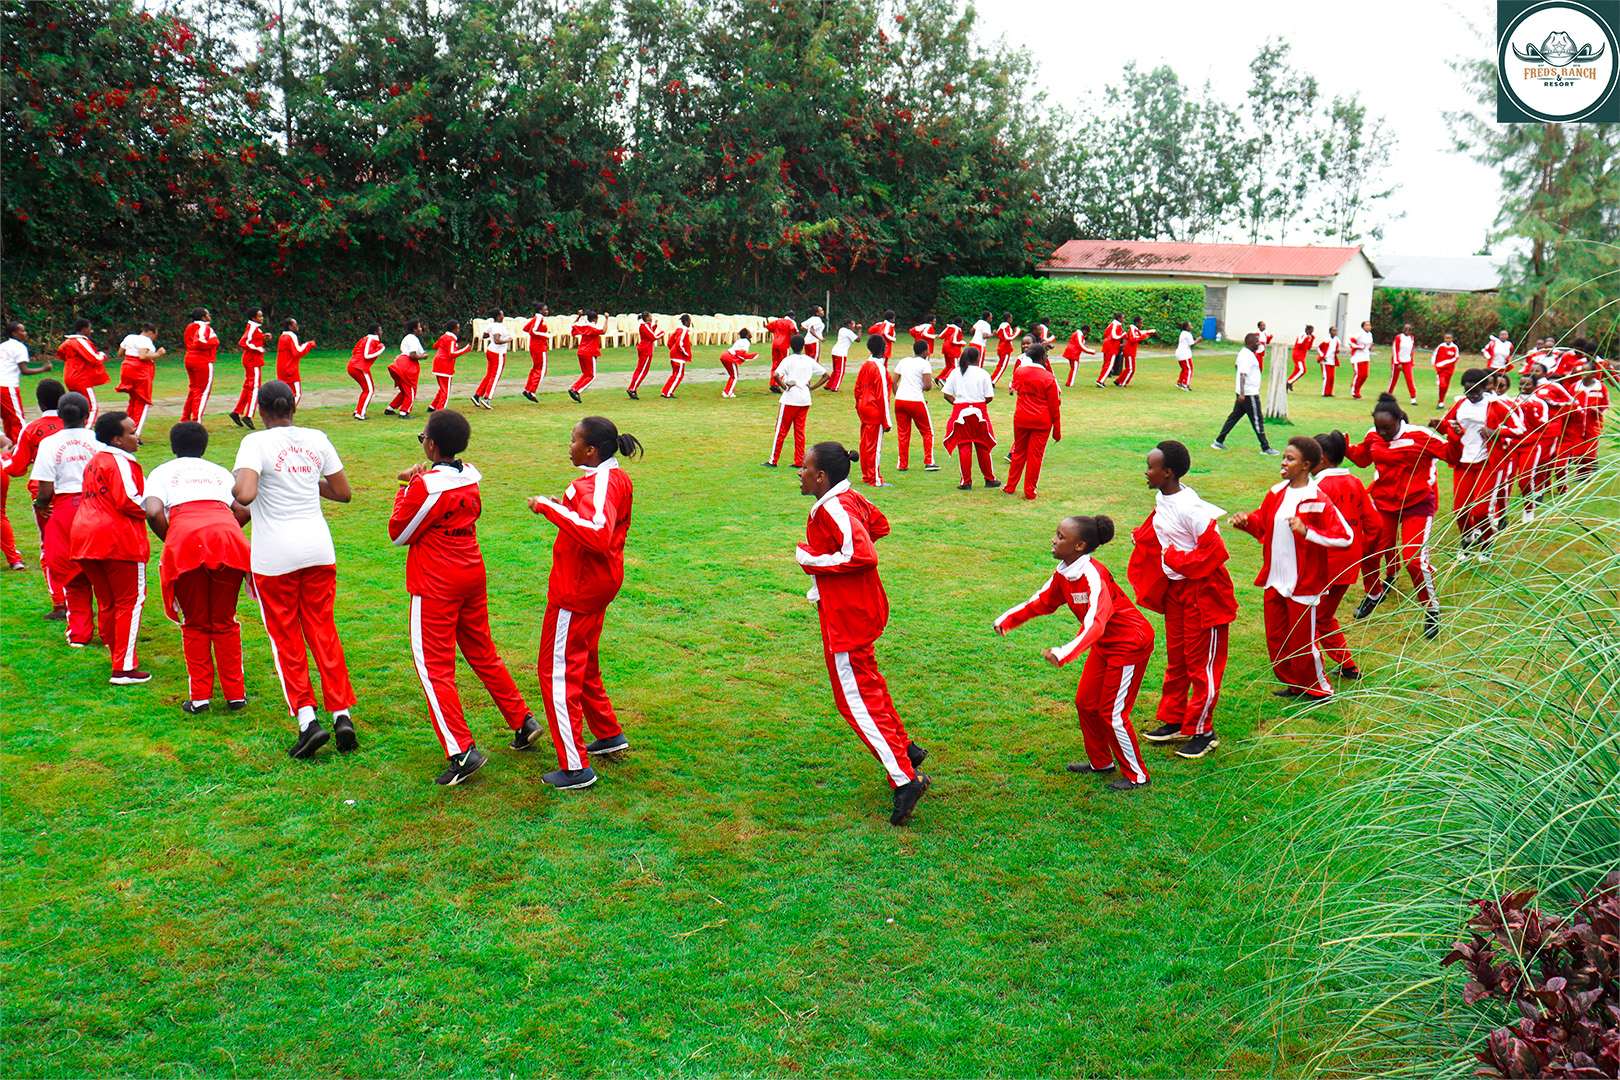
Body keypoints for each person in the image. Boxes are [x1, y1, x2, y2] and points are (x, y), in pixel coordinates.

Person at [390, 409, 539, 786]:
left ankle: (461, 750)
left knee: (434, 667)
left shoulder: (427, 486)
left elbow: (400, 532)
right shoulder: (469, 475)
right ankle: (522, 720)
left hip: (437, 580)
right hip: (470, 569)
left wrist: (405, 487)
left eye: (422, 436)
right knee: (482, 652)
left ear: (432, 445)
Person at [794, 440, 931, 822]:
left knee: (853, 699)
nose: (799, 472)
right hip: (860, 607)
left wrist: (812, 560)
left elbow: (862, 554)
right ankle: (906, 749)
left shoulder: (834, 507)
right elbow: (879, 525)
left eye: (804, 467)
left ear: (821, 476)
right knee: (867, 682)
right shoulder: (847, 498)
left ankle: (905, 778)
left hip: (847, 616)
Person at [232, 380, 357, 759]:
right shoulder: (316, 437)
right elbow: (342, 491)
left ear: (259, 409)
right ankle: (341, 714)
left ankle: (307, 720)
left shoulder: (255, 443)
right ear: (293, 407)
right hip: (318, 549)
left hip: (275, 557)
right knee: (323, 629)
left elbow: (245, 495)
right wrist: (303, 481)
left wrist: (243, 481)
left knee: (285, 636)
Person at [526, 415, 643, 790]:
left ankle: (575, 767)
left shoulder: (596, 483)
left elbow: (596, 534)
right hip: (598, 582)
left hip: (577, 588)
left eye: (574, 440)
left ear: (591, 451)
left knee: (556, 671)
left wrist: (548, 505)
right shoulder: (615, 477)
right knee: (585, 658)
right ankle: (608, 733)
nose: (569, 444)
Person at [995, 514, 1153, 789]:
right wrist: (1008, 619)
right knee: (1086, 703)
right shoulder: (1064, 572)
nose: (1053, 540)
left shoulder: (1093, 576)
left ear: (1079, 546)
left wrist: (1064, 652)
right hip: (1105, 644)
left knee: (1112, 714)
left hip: (1130, 643)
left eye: (1060, 536)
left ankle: (1137, 775)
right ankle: (1102, 762)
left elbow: (1096, 622)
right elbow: (1042, 601)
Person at [1128, 441, 1238, 759]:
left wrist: (1176, 559)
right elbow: (1162, 525)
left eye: (1150, 467)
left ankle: (1203, 731)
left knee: (1201, 665)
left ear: (1167, 472)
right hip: (1178, 593)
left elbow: (1216, 552)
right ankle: (1176, 719)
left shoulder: (1191, 509)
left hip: (1205, 594)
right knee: (1178, 660)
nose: (1145, 472)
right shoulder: (1164, 496)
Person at [1228, 436, 1353, 699]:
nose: (1283, 463)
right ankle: (1294, 683)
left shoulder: (1316, 497)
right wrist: (1245, 520)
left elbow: (1345, 537)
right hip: (1275, 578)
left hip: (1303, 582)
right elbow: (1262, 523)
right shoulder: (1276, 492)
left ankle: (1319, 689)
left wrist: (1308, 531)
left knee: (1303, 641)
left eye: (1290, 459)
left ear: (1306, 465)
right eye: (1284, 457)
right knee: (1277, 638)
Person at [143, 421, 252, 714]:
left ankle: (201, 697)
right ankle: (235, 695)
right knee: (225, 619)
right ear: (204, 447)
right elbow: (243, 509)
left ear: (173, 446)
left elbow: (153, 511)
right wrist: (222, 531)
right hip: (228, 541)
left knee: (195, 622)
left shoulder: (161, 472)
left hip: (185, 540)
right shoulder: (218, 470)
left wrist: (174, 540)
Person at [1346, 395, 1447, 638]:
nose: (1382, 433)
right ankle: (1374, 593)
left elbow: (1452, 454)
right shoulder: (1374, 435)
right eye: (1379, 427)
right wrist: (1345, 446)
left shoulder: (1422, 435)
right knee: (1368, 549)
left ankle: (1431, 609)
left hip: (1417, 504)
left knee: (1414, 560)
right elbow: (1362, 458)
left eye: (1387, 427)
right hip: (1383, 503)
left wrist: (1448, 430)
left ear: (1400, 419)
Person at [68, 410, 151, 684]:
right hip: (115, 538)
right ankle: (124, 668)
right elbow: (129, 499)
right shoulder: (120, 460)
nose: (136, 437)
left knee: (108, 600)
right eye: (130, 432)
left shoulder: (96, 460)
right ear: (117, 439)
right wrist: (162, 510)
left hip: (84, 535)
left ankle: (117, 651)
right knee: (130, 601)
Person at [1308, 431, 1381, 680]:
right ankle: (1348, 667)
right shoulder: (1356, 483)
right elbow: (1375, 524)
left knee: (1309, 620)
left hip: (1322, 565)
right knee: (1323, 617)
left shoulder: (1317, 488)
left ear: (1324, 459)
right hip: (1349, 563)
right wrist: (1363, 552)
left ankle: (1311, 675)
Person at [31, 393, 99, 640]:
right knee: (102, 573)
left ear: (59, 416)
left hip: (64, 510)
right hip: (96, 506)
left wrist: (41, 506)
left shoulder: (49, 443)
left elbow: (45, 490)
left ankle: (79, 633)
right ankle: (110, 631)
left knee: (72, 576)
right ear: (88, 414)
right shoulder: (98, 439)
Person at [4, 380, 65, 603]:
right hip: (76, 496)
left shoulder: (32, 429)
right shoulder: (78, 426)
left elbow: (16, 468)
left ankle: (59, 601)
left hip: (44, 498)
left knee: (49, 547)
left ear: (39, 403)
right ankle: (80, 602)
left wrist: (6, 456)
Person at [1432, 369, 1501, 558]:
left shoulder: (1495, 405)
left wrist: (1494, 432)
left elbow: (1519, 429)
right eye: (1467, 392)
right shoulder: (1460, 404)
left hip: (1487, 462)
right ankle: (1468, 539)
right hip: (1463, 461)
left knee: (1480, 511)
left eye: (1475, 392)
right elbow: (1446, 426)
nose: (1471, 396)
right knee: (1460, 510)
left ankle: (1487, 541)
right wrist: (1439, 424)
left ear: (1485, 387)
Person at [1002, 342, 1061, 499]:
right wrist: (1057, 429)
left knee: (1018, 452)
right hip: (1042, 421)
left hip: (1021, 418)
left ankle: (1010, 486)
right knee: (1035, 456)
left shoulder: (1020, 372)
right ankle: (1030, 490)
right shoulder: (1049, 378)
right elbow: (1055, 406)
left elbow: (1015, 388)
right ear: (1043, 357)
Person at [764, 334, 829, 469]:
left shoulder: (788, 360)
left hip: (790, 398)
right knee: (799, 431)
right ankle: (799, 461)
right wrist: (811, 387)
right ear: (803, 345)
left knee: (781, 431)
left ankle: (773, 460)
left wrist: (784, 386)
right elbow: (826, 375)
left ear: (790, 346)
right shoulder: (809, 360)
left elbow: (776, 374)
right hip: (804, 398)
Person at [941, 345, 999, 491]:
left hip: (961, 412)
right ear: (978, 358)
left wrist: (958, 403)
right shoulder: (983, 373)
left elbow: (946, 393)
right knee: (983, 445)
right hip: (979, 411)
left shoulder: (956, 372)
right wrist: (978, 404)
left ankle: (966, 482)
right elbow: (989, 396)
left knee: (964, 445)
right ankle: (990, 478)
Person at [1211, 333, 1277, 455]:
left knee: (1234, 417)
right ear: (1251, 343)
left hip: (1244, 393)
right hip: (1249, 394)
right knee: (1257, 419)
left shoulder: (1244, 353)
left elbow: (1237, 366)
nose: (1259, 344)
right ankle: (1266, 447)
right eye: (1257, 342)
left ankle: (1219, 441)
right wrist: (1242, 393)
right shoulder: (1247, 356)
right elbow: (1242, 374)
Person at [853, 334, 894, 487]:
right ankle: (875, 479)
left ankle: (867, 475)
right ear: (883, 348)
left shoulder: (866, 364)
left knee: (865, 444)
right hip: (874, 410)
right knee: (874, 446)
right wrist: (887, 420)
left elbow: (857, 388)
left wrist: (859, 406)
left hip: (864, 408)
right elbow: (882, 395)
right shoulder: (879, 368)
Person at [892, 337, 939, 473]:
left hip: (900, 400)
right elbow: (928, 385)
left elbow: (894, 382)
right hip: (916, 400)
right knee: (927, 431)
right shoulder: (925, 364)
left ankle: (902, 464)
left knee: (903, 433)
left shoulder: (903, 361)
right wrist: (921, 388)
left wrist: (899, 394)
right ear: (925, 352)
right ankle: (929, 462)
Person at [1, 321, 53, 441]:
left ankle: (10, 447)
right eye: (22, 331)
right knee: (18, 420)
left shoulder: (2, 346)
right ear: (14, 333)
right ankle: (23, 447)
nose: (25, 333)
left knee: (8, 419)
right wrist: (44, 369)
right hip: (8, 387)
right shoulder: (19, 347)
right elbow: (24, 370)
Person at [116, 321, 167, 436]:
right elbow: (142, 356)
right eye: (155, 335)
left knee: (133, 401)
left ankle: (124, 430)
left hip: (127, 368)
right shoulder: (145, 340)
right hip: (140, 370)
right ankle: (136, 434)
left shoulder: (129, 337)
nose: (155, 338)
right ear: (150, 332)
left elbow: (120, 353)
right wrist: (158, 353)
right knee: (142, 402)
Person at [59, 319, 110, 423]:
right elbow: (95, 358)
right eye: (89, 329)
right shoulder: (80, 341)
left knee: (75, 405)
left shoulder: (68, 341)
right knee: (91, 407)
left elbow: (60, 353)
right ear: (84, 329)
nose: (90, 332)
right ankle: (85, 430)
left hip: (69, 376)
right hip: (81, 378)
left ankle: (73, 427)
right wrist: (103, 355)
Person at [1567, 361, 1610, 480]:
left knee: (1590, 453)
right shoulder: (1575, 386)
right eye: (1583, 370)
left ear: (1593, 373)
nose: (1584, 373)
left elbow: (1606, 405)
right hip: (1577, 425)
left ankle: (1587, 473)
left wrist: (1598, 410)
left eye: (1588, 371)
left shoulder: (1601, 387)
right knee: (1577, 453)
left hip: (1594, 424)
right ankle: (1580, 473)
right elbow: (1569, 403)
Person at [179, 307, 220, 422]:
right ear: (203, 317)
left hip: (189, 358)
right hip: (202, 360)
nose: (209, 316)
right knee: (202, 391)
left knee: (193, 389)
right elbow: (201, 341)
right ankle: (197, 420)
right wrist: (213, 341)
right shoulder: (204, 328)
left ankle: (185, 418)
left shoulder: (190, 327)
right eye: (208, 314)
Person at [229, 306, 266, 429]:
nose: (262, 318)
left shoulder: (254, 328)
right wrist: (258, 349)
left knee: (247, 387)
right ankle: (248, 415)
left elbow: (252, 340)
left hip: (250, 360)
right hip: (253, 361)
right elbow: (243, 342)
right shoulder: (252, 328)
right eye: (259, 316)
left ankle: (236, 411)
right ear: (253, 318)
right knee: (255, 388)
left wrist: (263, 337)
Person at [385, 321, 428, 419]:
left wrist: (422, 354)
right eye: (419, 327)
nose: (421, 329)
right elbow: (413, 355)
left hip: (398, 363)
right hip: (407, 364)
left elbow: (410, 351)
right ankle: (404, 411)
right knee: (411, 389)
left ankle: (390, 408)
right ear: (415, 329)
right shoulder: (414, 339)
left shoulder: (406, 338)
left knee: (404, 390)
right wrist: (423, 357)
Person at [471, 308, 512, 409]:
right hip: (498, 353)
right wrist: (507, 340)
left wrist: (491, 334)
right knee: (495, 376)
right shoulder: (498, 327)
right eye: (502, 315)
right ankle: (487, 398)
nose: (503, 316)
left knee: (489, 375)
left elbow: (484, 336)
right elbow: (497, 340)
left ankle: (477, 395)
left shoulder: (491, 325)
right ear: (498, 317)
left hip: (490, 351)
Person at [428, 320, 472, 412]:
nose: (458, 330)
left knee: (442, 387)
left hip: (437, 363)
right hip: (445, 366)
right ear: (453, 329)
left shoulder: (444, 336)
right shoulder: (451, 339)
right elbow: (451, 353)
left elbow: (435, 346)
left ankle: (433, 406)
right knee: (446, 391)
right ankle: (440, 411)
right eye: (457, 328)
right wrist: (466, 349)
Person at [347, 323, 385, 420]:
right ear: (376, 332)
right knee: (369, 390)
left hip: (353, 365)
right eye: (380, 330)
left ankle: (358, 411)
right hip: (359, 367)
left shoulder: (364, 339)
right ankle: (360, 414)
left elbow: (355, 351)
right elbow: (367, 355)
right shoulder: (371, 340)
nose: (382, 332)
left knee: (366, 389)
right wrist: (380, 349)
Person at [275, 318, 315, 405]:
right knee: (296, 394)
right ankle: (286, 413)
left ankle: (280, 412)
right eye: (295, 325)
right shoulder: (291, 336)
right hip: (290, 369)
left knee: (284, 393)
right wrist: (309, 344)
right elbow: (298, 352)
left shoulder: (282, 337)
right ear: (290, 327)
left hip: (281, 369)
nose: (297, 327)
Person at [567, 310, 604, 402]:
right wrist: (607, 319)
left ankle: (574, 388)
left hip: (581, 351)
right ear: (595, 319)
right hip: (590, 352)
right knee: (592, 376)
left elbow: (573, 325)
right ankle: (577, 391)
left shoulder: (582, 326)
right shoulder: (592, 327)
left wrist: (579, 316)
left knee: (586, 374)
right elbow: (603, 331)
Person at [627, 310, 664, 400]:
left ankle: (632, 387)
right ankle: (632, 388)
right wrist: (662, 333)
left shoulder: (645, 326)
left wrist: (655, 326)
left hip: (644, 349)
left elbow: (649, 332)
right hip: (646, 350)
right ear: (647, 318)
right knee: (642, 371)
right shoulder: (645, 326)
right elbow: (653, 337)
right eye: (650, 316)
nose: (651, 318)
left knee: (639, 369)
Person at [519, 305, 551, 402]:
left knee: (535, 368)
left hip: (534, 346)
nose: (547, 311)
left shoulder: (536, 318)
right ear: (540, 310)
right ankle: (532, 391)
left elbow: (526, 328)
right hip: (539, 347)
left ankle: (527, 389)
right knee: (542, 369)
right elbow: (532, 331)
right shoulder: (539, 318)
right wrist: (545, 335)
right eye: (545, 310)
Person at [718, 328, 757, 398]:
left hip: (725, 355)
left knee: (732, 376)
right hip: (729, 357)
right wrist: (753, 356)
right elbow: (741, 353)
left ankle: (726, 391)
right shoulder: (746, 342)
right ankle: (728, 392)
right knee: (735, 376)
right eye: (749, 332)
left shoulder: (740, 340)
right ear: (746, 335)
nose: (750, 334)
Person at [661, 314, 693, 398]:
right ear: (686, 322)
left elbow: (669, 342)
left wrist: (672, 350)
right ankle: (668, 393)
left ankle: (665, 391)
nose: (690, 322)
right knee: (679, 375)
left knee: (674, 374)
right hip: (679, 357)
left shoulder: (678, 330)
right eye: (689, 321)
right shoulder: (684, 331)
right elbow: (679, 343)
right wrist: (685, 353)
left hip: (674, 355)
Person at [1118, 316, 1155, 386]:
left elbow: (1140, 333)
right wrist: (1144, 336)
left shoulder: (1135, 329)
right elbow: (1133, 339)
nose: (1141, 325)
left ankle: (1119, 380)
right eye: (1140, 323)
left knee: (1128, 368)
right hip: (1129, 351)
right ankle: (1123, 383)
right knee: (1131, 369)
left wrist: (1148, 332)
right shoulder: (1132, 329)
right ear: (1137, 323)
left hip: (1130, 351)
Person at [1388, 322, 1417, 404]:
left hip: (1407, 362)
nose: (1407, 330)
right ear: (1403, 329)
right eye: (1406, 329)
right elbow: (1395, 350)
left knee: (1409, 379)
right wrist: (1398, 362)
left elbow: (1412, 350)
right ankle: (1388, 394)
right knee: (1394, 379)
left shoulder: (1411, 338)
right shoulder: (1398, 337)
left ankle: (1413, 397)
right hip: (1398, 362)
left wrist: (1411, 361)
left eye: (1409, 329)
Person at [827, 318, 859, 392]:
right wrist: (860, 330)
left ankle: (829, 385)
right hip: (841, 353)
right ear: (848, 324)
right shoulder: (848, 332)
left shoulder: (842, 329)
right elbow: (858, 339)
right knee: (840, 372)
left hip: (835, 351)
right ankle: (835, 387)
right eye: (852, 324)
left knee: (835, 370)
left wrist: (853, 328)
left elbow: (852, 332)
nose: (853, 326)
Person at [1063, 323, 1098, 389]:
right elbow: (1080, 345)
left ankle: (1070, 382)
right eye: (1088, 332)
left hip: (1072, 352)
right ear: (1085, 330)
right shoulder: (1078, 334)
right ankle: (1070, 383)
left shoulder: (1078, 334)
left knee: (1073, 368)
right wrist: (1090, 351)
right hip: (1073, 353)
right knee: (1074, 368)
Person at [991, 313, 1021, 384]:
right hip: (1005, 348)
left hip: (1002, 347)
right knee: (1002, 366)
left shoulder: (1002, 326)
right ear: (1008, 318)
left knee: (1000, 365)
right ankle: (993, 381)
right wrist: (1017, 331)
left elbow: (999, 334)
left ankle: (992, 379)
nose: (1012, 319)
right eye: (1011, 317)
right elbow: (1008, 338)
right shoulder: (1005, 326)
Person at [1347, 320, 1374, 399]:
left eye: (1370, 325)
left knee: (1365, 375)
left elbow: (1368, 345)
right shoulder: (1359, 334)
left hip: (1366, 357)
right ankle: (1354, 391)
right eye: (1367, 325)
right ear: (1363, 326)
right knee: (1359, 374)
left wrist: (1370, 347)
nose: (1369, 327)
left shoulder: (1370, 334)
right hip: (1357, 357)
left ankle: (1358, 389)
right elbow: (1351, 342)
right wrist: (1359, 346)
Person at [1097, 313, 1125, 387]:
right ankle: (1101, 381)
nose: (1123, 320)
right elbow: (1114, 336)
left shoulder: (1111, 324)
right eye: (1123, 318)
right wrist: (1123, 335)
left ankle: (1100, 379)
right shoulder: (1117, 325)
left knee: (1106, 363)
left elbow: (1105, 334)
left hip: (1107, 345)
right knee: (1110, 364)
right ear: (1119, 318)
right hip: (1112, 346)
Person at [938, 316, 964, 382]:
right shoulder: (957, 329)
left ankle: (938, 379)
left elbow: (940, 336)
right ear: (959, 323)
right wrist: (961, 343)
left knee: (949, 366)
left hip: (945, 348)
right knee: (955, 367)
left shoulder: (949, 327)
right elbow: (953, 341)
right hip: (953, 350)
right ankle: (945, 379)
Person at [1171, 322, 1196, 391]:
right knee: (1189, 369)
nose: (1191, 327)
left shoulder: (1182, 333)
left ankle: (1180, 382)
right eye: (1190, 326)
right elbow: (1192, 344)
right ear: (1186, 327)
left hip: (1179, 353)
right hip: (1184, 354)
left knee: (1184, 369)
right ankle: (1186, 384)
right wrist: (1198, 340)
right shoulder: (1188, 334)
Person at [1317, 327, 1341, 397]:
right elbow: (1319, 348)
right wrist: (1322, 355)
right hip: (1325, 360)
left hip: (1332, 360)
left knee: (1332, 377)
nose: (1335, 332)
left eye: (1336, 331)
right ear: (1330, 331)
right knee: (1326, 376)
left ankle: (1330, 392)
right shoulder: (1326, 339)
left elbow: (1335, 349)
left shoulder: (1337, 340)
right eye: (1333, 331)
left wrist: (1337, 351)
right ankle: (1325, 392)